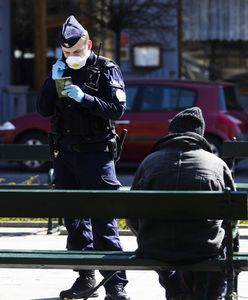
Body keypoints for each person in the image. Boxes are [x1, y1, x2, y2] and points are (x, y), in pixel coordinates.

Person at [37, 15, 130, 300]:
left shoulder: (105, 69)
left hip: (96, 154)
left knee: (104, 218)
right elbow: (43, 110)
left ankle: (115, 282)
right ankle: (85, 277)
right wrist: (51, 84)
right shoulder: (60, 70)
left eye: (77, 51)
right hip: (65, 154)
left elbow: (116, 110)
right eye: (66, 53)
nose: (72, 57)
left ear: (88, 44)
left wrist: (85, 99)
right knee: (75, 221)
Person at [127, 107, 236, 300]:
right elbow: (232, 217)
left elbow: (132, 216)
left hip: (156, 247)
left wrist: (147, 234)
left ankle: (176, 289)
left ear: (170, 133)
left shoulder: (149, 162)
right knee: (224, 241)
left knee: (165, 243)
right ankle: (208, 295)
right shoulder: (217, 164)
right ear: (199, 134)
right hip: (203, 248)